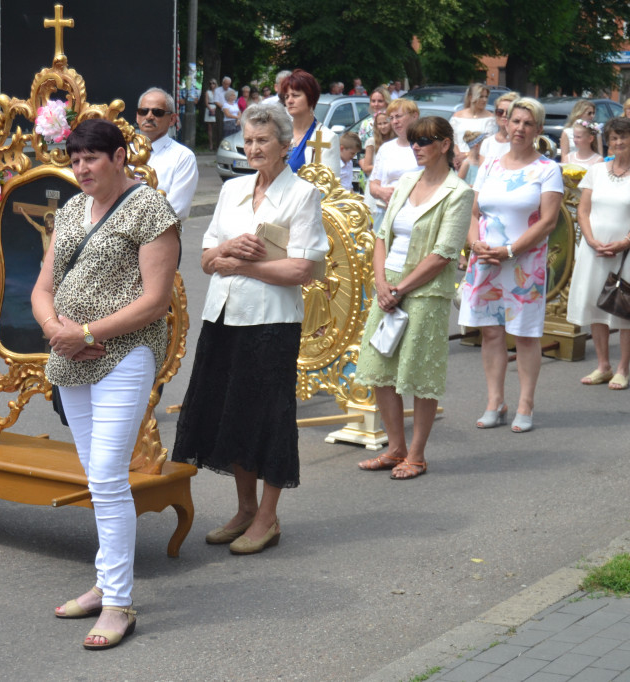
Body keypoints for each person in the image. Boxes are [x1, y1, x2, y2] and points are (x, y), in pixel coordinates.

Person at [31, 118, 180, 649]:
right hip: (72, 355)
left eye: (92, 158)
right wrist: (56, 331)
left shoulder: (150, 211)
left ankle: (118, 602)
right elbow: (43, 285)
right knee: (97, 477)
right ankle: (105, 583)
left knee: (110, 476)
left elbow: (155, 300)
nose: (81, 168)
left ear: (119, 157)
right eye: (74, 159)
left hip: (124, 354)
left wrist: (88, 331)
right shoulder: (72, 209)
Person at [171, 104, 328, 554]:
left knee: (269, 416)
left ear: (285, 144)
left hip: (271, 322)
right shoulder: (233, 190)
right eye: (249, 140)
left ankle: (268, 516)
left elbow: (303, 268)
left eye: (263, 140)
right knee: (231, 410)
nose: (254, 148)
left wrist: (241, 264)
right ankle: (244, 508)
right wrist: (227, 252)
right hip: (223, 316)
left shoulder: (301, 195)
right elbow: (205, 259)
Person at [355, 117, 473, 479]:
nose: (417, 147)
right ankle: (395, 448)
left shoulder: (459, 192)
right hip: (387, 284)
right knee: (379, 369)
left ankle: (417, 455)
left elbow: (444, 254)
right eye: (414, 141)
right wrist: (381, 284)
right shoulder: (406, 181)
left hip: (425, 291)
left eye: (424, 141)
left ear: (444, 145)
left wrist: (400, 289)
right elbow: (380, 236)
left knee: (419, 373)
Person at [458, 97, 563, 433]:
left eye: (527, 123)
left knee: (526, 336)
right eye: (515, 121)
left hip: (523, 264)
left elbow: (547, 222)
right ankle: (495, 401)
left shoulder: (547, 169)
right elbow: (473, 212)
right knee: (490, 333)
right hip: (485, 260)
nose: (519, 128)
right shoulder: (489, 164)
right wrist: (475, 244)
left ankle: (525, 404)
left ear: (538, 130)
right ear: (506, 123)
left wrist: (508, 250)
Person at [565, 116, 630, 390]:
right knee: (595, 305)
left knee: (625, 310)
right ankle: (603, 365)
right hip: (594, 250)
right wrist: (591, 240)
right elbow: (583, 210)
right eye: (614, 138)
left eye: (624, 137)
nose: (619, 142)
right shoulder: (597, 171)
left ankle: (622, 369)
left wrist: (624, 242)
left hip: (625, 252)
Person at [136, 88, 199, 221]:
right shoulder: (123, 152)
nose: (149, 116)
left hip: (159, 238)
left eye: (157, 112)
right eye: (143, 111)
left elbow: (176, 210)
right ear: (137, 116)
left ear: (172, 119)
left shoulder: (183, 157)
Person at [369, 99, 421, 231]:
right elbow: (373, 185)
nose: (394, 122)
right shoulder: (386, 148)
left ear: (414, 116)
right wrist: (382, 192)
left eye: (398, 116)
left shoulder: (424, 147)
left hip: (415, 214)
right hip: (385, 212)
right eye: (391, 118)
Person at [281, 68, 341, 177]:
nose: (289, 101)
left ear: (310, 98)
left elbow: (329, 188)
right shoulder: (280, 134)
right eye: (287, 96)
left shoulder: (327, 138)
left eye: (295, 95)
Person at [449, 83, 496, 171]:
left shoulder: (490, 119)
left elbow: (488, 144)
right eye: (481, 96)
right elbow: (452, 140)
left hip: (478, 163)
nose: (484, 100)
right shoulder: (457, 116)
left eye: (486, 97)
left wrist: (466, 155)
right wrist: (457, 156)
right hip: (458, 163)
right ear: (471, 97)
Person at [358, 86, 392, 178]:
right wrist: (366, 169)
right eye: (373, 101)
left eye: (380, 101)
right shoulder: (365, 124)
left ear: (387, 102)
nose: (376, 104)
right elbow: (360, 152)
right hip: (370, 172)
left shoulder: (393, 121)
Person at [481, 91, 519, 163]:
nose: (504, 115)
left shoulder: (521, 144)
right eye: (500, 112)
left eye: (508, 112)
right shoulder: (487, 143)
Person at [203, 79, 218, 150]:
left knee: (215, 127)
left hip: (215, 108)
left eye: (213, 83)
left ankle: (216, 143)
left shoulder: (217, 92)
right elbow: (206, 102)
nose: (212, 85)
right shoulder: (207, 92)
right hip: (209, 108)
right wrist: (210, 109)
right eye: (211, 83)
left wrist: (214, 109)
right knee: (210, 128)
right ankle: (210, 144)